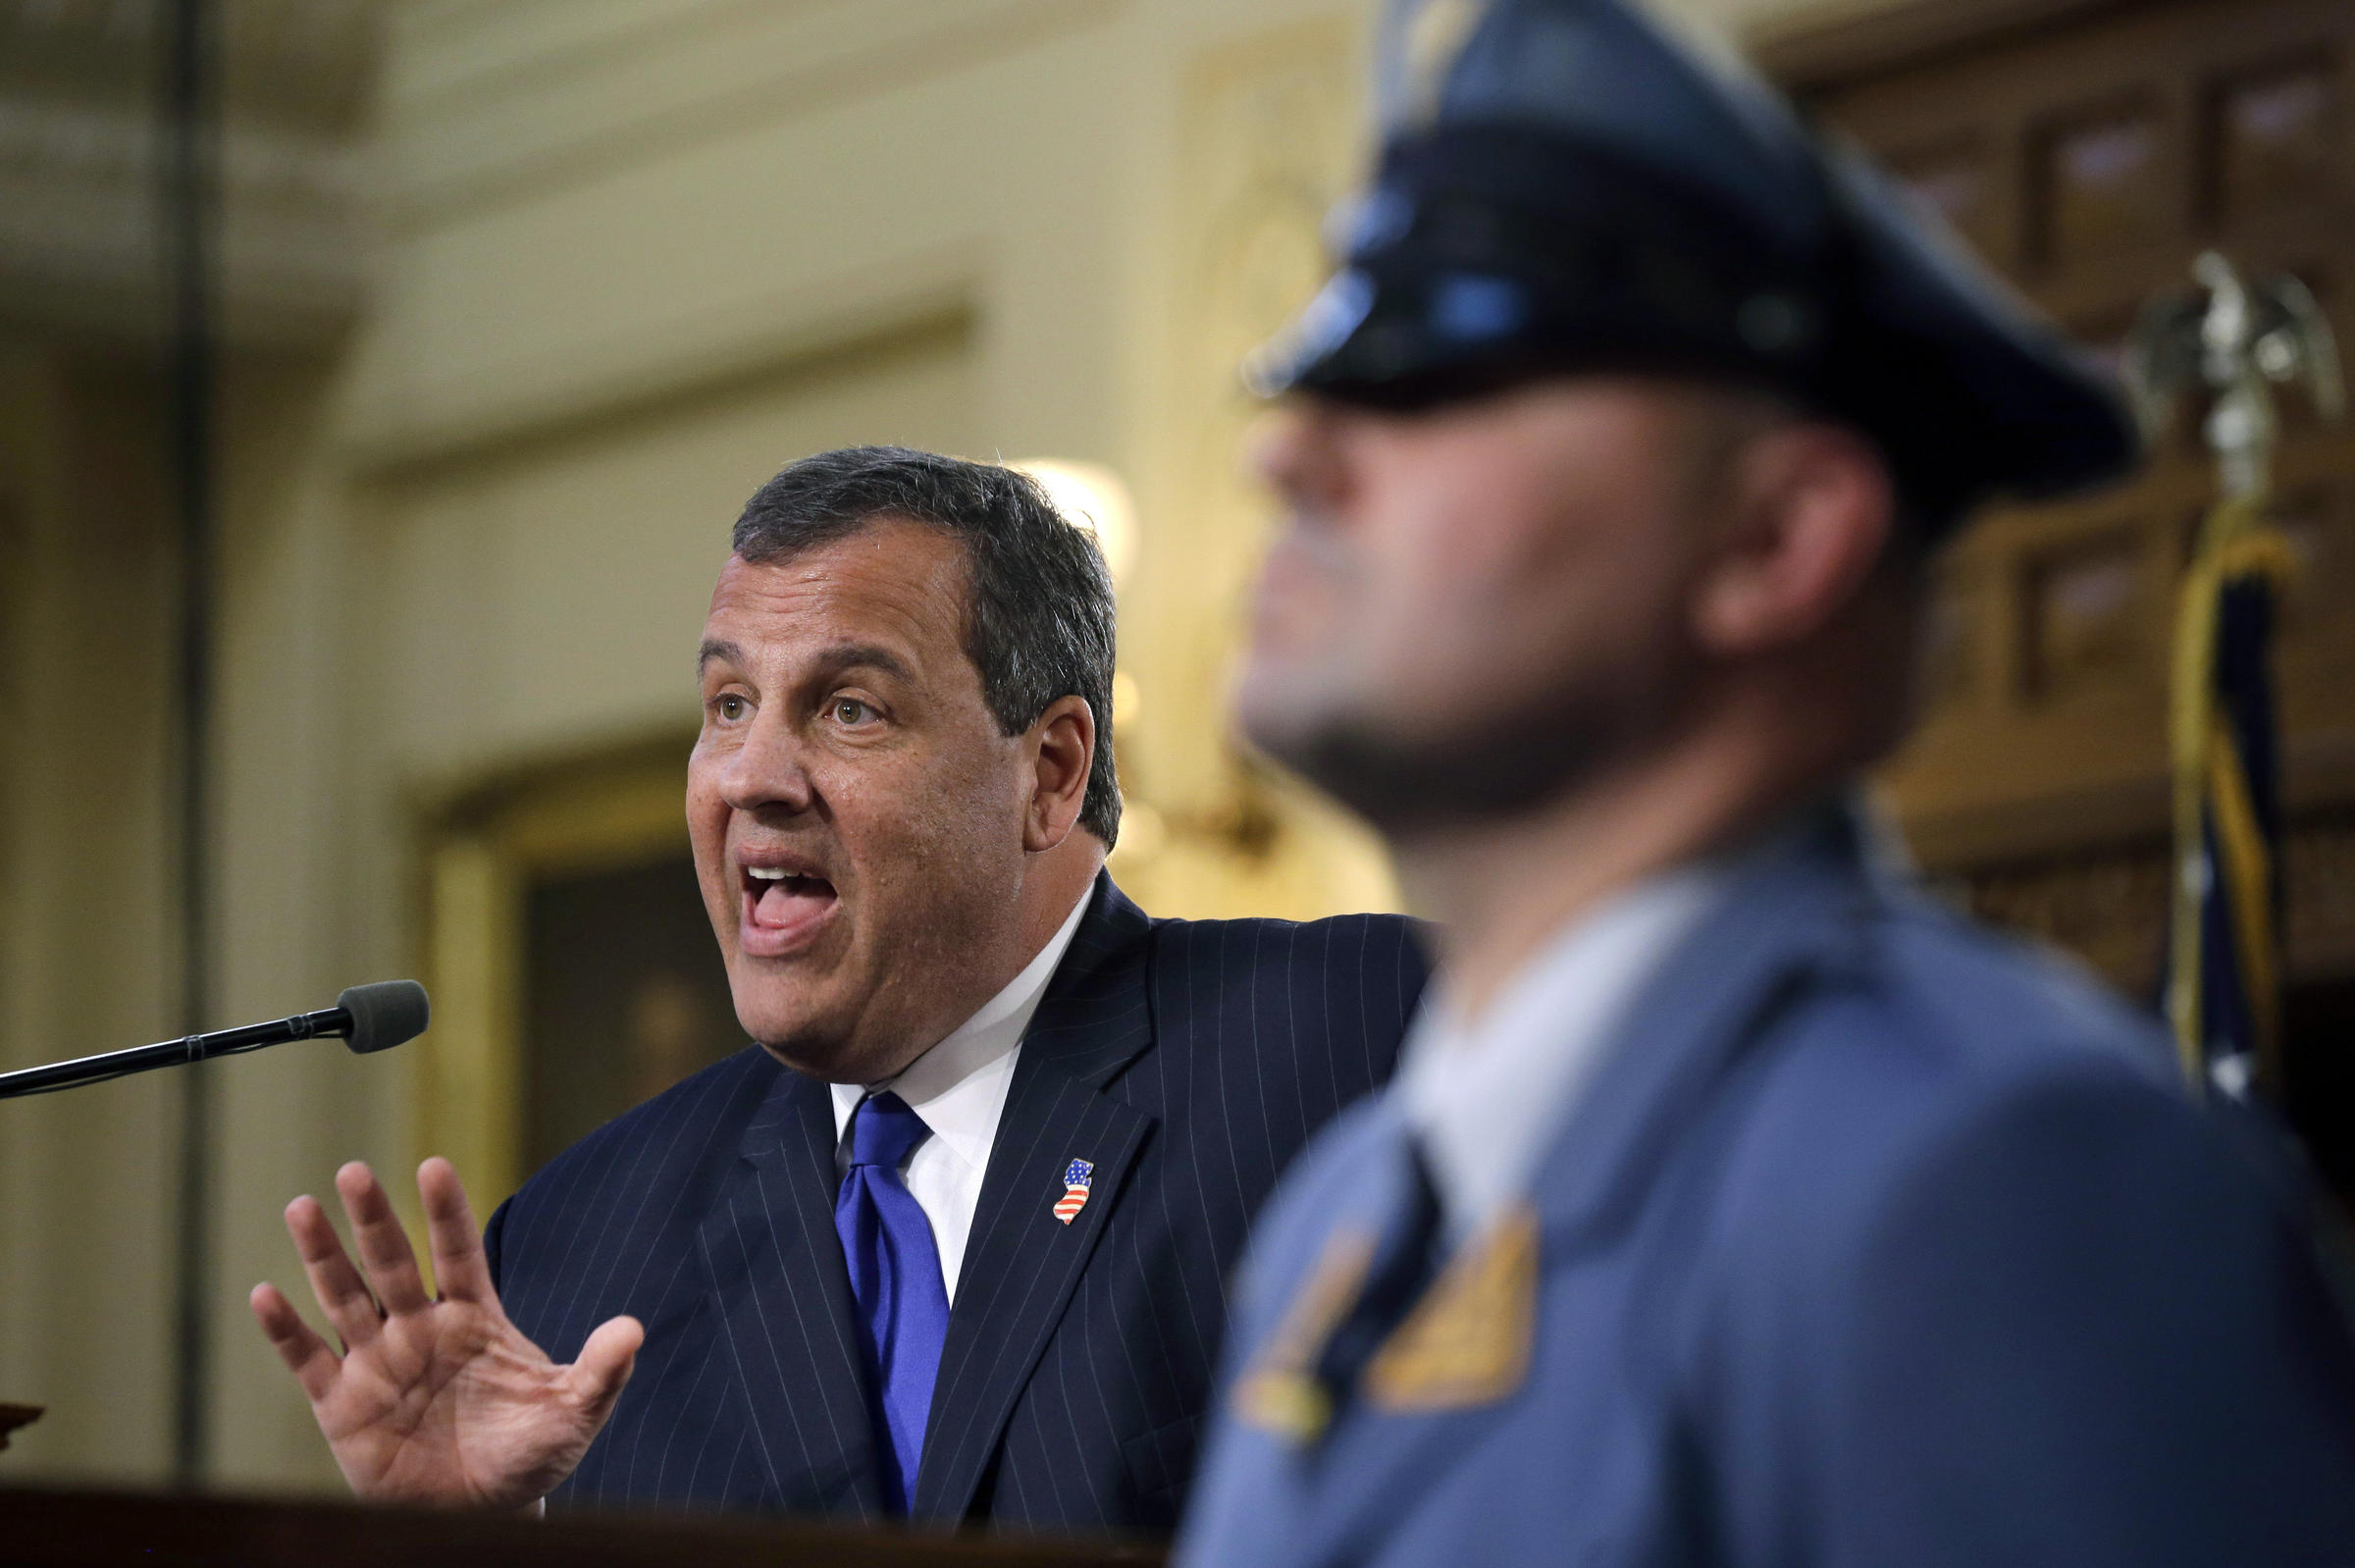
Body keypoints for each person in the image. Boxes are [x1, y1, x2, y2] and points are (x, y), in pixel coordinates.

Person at [1175, 1, 2355, 1564]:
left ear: (1775, 541)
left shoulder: (1995, 1185)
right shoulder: (1343, 1213)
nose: (1287, 457)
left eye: (1443, 371)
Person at [249, 446, 1429, 1533]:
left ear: (1051, 771)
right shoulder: (577, 1240)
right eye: (727, 705)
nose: (755, 776)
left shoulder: (1350, 1041)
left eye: (848, 706)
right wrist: (459, 1553)